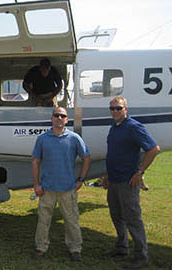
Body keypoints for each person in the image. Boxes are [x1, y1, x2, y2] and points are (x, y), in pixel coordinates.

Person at [103, 96, 160, 269]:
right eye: (112, 109)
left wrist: (140, 172)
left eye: (118, 108)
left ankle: (141, 256)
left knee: (132, 218)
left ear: (126, 109)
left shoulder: (134, 127)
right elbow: (113, 153)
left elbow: (153, 149)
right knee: (116, 214)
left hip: (128, 181)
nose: (115, 111)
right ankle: (122, 247)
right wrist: (106, 175)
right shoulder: (114, 127)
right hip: (113, 180)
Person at [31, 107, 91, 261]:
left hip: (68, 188)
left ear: (66, 120)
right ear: (51, 118)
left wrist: (81, 179)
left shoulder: (74, 138)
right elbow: (36, 161)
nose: (59, 118)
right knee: (43, 220)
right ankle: (41, 247)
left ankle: (75, 248)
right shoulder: (43, 139)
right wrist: (36, 184)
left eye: (62, 116)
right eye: (56, 115)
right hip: (47, 188)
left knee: (71, 220)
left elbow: (86, 158)